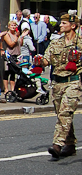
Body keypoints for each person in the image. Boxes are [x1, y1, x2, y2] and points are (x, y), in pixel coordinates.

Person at [35, 14, 82, 159]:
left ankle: (57, 144)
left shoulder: (80, 43)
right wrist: (40, 61)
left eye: (63, 23)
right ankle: (70, 144)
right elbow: (47, 60)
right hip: (57, 83)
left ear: (73, 26)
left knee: (65, 113)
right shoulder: (56, 43)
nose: (60, 25)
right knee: (62, 114)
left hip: (73, 81)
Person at [2, 21, 21, 94]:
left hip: (16, 55)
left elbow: (20, 44)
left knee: (13, 73)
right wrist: (16, 38)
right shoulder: (7, 35)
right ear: (9, 26)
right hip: (9, 55)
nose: (13, 27)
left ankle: (12, 89)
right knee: (7, 72)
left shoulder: (17, 34)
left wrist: (20, 37)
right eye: (12, 25)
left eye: (15, 25)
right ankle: (6, 89)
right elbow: (11, 44)